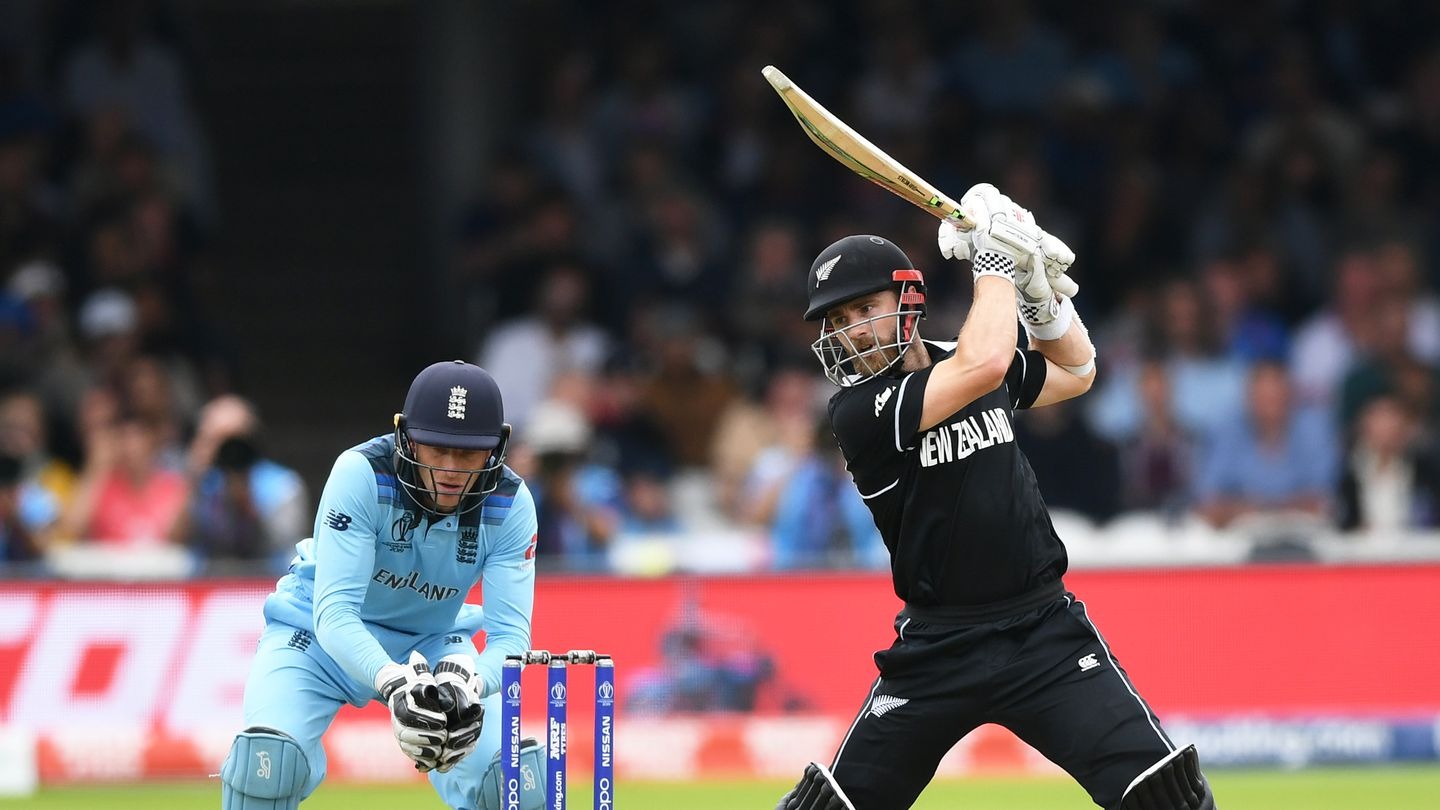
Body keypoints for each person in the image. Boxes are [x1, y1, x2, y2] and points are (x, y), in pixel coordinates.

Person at [777, 184, 1216, 810]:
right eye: (839, 322)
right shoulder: (859, 411)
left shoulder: (961, 355)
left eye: (863, 310)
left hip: (1044, 632)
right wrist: (995, 263)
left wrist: (1038, 296)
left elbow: (1077, 372)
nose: (853, 333)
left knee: (1167, 800)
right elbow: (984, 366)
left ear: (907, 301)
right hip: (938, 648)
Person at [220, 361, 544, 810]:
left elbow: (511, 637)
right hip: (314, 636)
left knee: (516, 785)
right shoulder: (362, 474)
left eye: (468, 453)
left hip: (432, 641)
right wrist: (394, 683)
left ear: (497, 447)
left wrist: (472, 682)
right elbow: (334, 615)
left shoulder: (511, 503)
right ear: (405, 436)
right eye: (436, 448)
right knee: (268, 763)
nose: (451, 469)